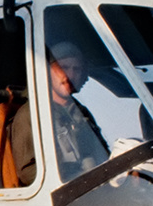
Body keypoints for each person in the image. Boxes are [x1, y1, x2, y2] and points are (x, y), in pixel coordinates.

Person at [47, 43, 109, 181]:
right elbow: (30, 173)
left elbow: (102, 154)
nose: (70, 75)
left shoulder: (82, 114)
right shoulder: (35, 114)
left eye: (77, 69)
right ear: (48, 71)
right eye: (64, 68)